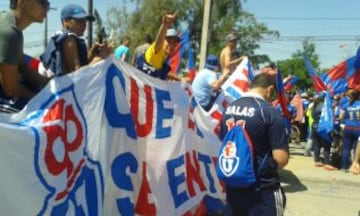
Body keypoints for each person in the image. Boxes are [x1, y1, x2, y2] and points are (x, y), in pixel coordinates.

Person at [219, 73, 289, 216]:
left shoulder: (228, 109)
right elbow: (281, 158)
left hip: (233, 185)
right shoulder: (269, 112)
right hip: (262, 189)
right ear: (269, 90)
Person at [0, 0, 51, 113]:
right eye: (42, 2)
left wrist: (49, 83)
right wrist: (39, 99)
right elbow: (10, 89)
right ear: (22, 2)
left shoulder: (15, 30)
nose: (46, 8)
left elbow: (22, 67)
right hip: (6, 91)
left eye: (47, 4)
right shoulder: (9, 32)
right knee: (42, 113)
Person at [39, 4, 112, 77]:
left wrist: (92, 54)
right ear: (66, 21)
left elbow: (77, 65)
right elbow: (77, 74)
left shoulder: (63, 36)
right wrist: (101, 57)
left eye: (85, 21)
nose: (84, 25)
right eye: (79, 21)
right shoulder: (68, 38)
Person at [136, 11, 186, 82]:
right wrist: (165, 25)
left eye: (174, 43)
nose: (171, 45)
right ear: (163, 40)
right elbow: (158, 42)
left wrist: (179, 79)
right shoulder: (157, 50)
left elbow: (164, 73)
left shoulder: (163, 57)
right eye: (168, 41)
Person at [339, 89, 360, 172]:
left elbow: (341, 117)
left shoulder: (347, 105)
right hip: (358, 128)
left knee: (346, 148)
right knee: (356, 148)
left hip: (348, 127)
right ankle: (354, 166)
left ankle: (344, 167)